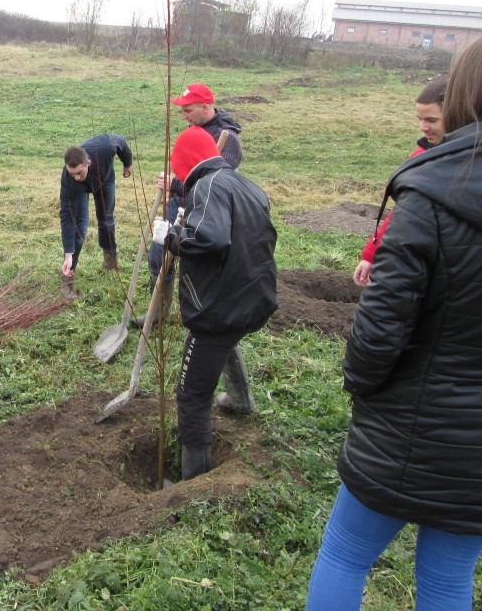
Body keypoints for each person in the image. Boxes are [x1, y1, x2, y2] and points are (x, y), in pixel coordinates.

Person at [307, 40, 482, 609]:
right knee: (449, 580)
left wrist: (359, 384)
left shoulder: (432, 192)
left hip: (409, 424)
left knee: (346, 553)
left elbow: (379, 331)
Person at [150, 125, 276, 480]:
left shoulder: (207, 186)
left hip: (220, 308)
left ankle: (194, 481)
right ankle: (241, 400)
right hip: (253, 299)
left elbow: (213, 240)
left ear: (185, 164)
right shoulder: (244, 184)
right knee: (224, 343)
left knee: (191, 395)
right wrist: (187, 225)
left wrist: (173, 237)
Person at [136, 83, 243, 328]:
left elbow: (217, 186)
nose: (183, 116)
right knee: (157, 256)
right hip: (179, 203)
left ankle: (198, 318)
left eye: (188, 110)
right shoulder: (196, 129)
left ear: (205, 107)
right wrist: (175, 190)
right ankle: (157, 313)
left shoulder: (227, 140)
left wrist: (176, 185)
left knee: (193, 267)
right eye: (181, 111)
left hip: (203, 213)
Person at [352, 78, 446, 287]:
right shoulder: (420, 158)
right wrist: (370, 255)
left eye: (431, 120)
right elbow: (402, 212)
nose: (423, 127)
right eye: (420, 119)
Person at [58, 133, 134, 299]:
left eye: (79, 172)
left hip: (104, 179)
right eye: (72, 174)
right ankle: (68, 278)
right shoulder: (70, 181)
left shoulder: (105, 147)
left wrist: (127, 163)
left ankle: (110, 261)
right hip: (81, 192)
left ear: (88, 163)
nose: (76, 177)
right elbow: (67, 217)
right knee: (80, 227)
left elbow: (121, 142)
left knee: (106, 220)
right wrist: (68, 254)